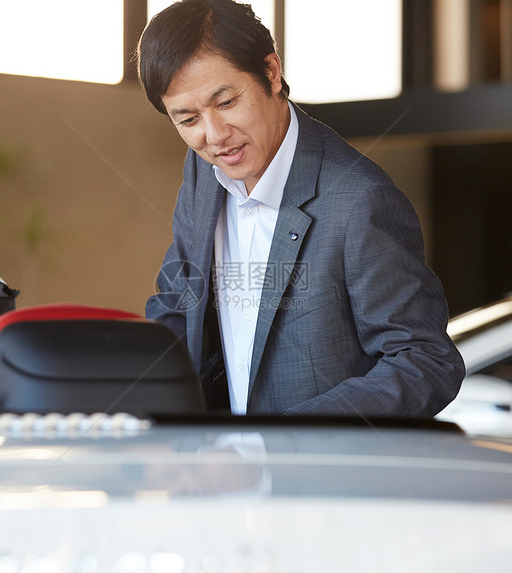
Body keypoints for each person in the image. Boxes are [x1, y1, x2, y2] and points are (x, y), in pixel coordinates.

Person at [137, 0, 464, 416]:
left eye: (226, 103)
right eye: (187, 120)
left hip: (318, 474)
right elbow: (179, 302)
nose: (214, 136)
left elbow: (426, 362)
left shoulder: (359, 201)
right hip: (217, 467)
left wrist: (284, 440)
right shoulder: (203, 174)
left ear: (271, 73)